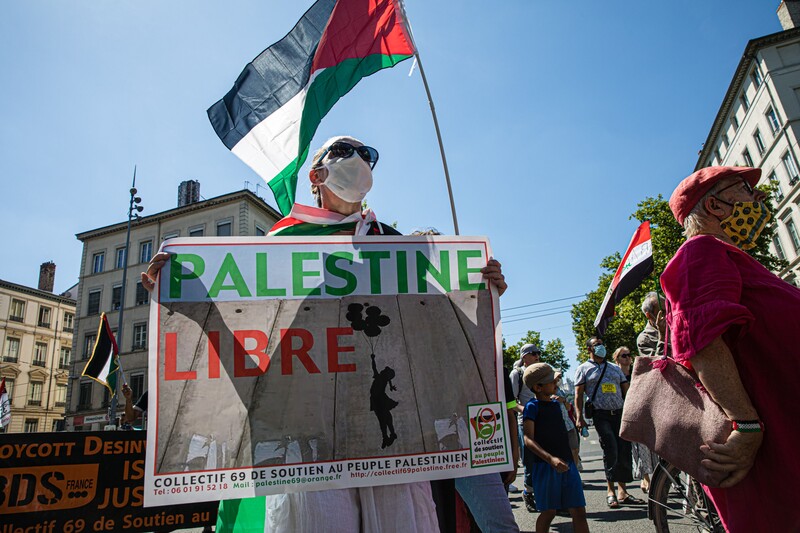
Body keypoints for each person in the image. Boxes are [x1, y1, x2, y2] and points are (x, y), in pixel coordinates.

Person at [141, 135, 509, 533]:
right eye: (343, 151)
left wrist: (479, 295)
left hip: (392, 441)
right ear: (316, 176)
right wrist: (184, 299)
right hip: (308, 443)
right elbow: (249, 340)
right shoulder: (278, 246)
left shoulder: (397, 247)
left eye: (366, 155)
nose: (359, 159)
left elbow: (440, 335)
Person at [661, 165, 800, 532]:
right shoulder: (700, 252)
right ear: (716, 207)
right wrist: (747, 425)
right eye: (745, 190)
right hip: (775, 446)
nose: (758, 200)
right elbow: (702, 342)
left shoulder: (721, 254)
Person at [574, 337, 642, 508]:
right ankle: (610, 490)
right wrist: (579, 417)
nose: (601, 347)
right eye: (597, 345)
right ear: (589, 349)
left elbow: (627, 391)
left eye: (602, 344)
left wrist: (633, 411)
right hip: (600, 415)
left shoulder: (614, 368)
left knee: (623, 449)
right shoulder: (583, 369)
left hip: (619, 414)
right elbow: (578, 395)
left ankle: (623, 491)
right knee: (610, 447)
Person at [522, 363, 588, 533]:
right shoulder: (532, 407)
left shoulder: (556, 405)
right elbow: (528, 439)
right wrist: (550, 459)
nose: (556, 384)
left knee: (579, 510)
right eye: (551, 382)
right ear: (538, 387)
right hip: (545, 467)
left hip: (567, 464)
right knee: (548, 512)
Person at [509, 343, 540, 513]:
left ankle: (545, 495)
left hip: (543, 421)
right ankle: (528, 492)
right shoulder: (516, 374)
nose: (537, 356)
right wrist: (526, 410)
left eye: (538, 353)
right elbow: (511, 402)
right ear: (524, 357)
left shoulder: (542, 371)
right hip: (525, 422)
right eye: (533, 353)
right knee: (529, 460)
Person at [553, 371, 580, 469]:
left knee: (575, 449)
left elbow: (568, 408)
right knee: (562, 452)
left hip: (568, 424)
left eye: (560, 377)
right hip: (557, 426)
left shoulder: (561, 391)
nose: (559, 379)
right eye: (557, 377)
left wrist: (563, 400)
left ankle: (575, 471)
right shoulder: (547, 391)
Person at [636, 291, 667, 357]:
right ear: (649, 315)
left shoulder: (676, 327)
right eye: (663, 312)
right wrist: (662, 335)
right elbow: (657, 365)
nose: (667, 315)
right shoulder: (644, 339)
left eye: (669, 310)